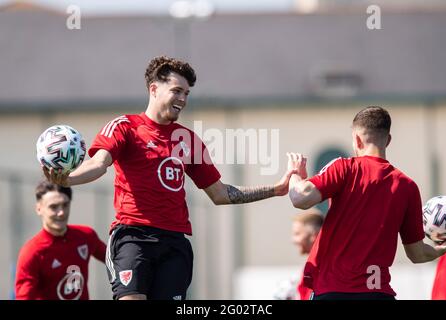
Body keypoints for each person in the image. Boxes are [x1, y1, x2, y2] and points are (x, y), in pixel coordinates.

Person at [43, 56, 294, 300]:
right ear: (154, 89)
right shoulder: (124, 127)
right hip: (133, 238)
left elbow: (220, 194)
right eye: (177, 91)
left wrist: (276, 189)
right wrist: (68, 180)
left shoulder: (188, 141)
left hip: (175, 244)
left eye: (186, 93)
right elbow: (99, 164)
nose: (183, 99)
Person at [287, 106, 446, 300]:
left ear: (356, 139)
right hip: (378, 294)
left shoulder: (344, 168)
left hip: (335, 291)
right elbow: (418, 254)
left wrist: (294, 174)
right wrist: (445, 246)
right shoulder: (407, 186)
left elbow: (300, 198)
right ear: (388, 140)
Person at [15, 180, 106, 300]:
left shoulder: (86, 236)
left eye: (65, 205)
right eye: (53, 207)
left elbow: (116, 259)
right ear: (39, 209)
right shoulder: (31, 252)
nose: (61, 212)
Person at [274, 208, 323, 300]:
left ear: (314, 235)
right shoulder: (312, 265)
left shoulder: (319, 268)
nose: (293, 240)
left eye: (297, 234)